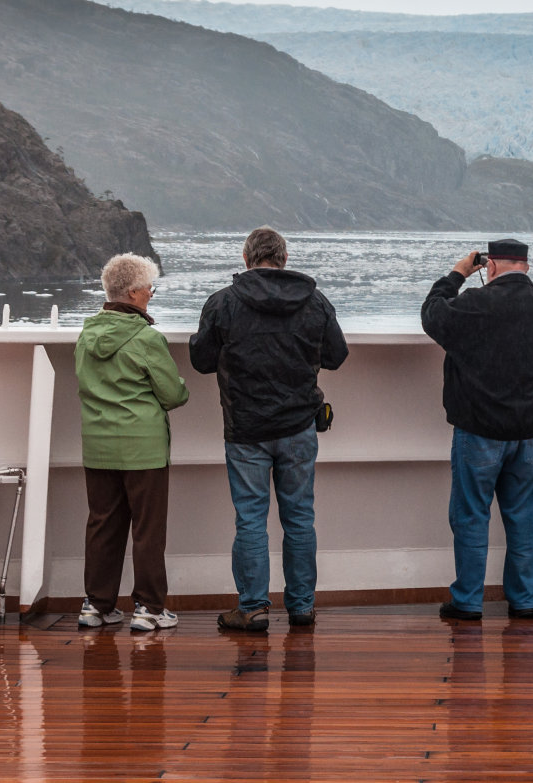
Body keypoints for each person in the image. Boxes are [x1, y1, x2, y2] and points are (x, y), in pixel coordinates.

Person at [189, 227, 348, 632]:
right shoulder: (314, 301)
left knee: (250, 520)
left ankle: (253, 607)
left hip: (246, 429)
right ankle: (301, 606)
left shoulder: (223, 303)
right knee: (299, 519)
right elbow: (336, 355)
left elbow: (202, 360)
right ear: (284, 258)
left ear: (246, 259)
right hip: (298, 426)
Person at [422, 238, 533, 622]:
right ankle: (524, 602)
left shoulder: (474, 304)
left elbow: (433, 315)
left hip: (480, 428)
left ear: (491, 267)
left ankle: (468, 601)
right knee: (522, 516)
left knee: (471, 516)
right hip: (530, 431)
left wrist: (457, 273)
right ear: (527, 268)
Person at [75, 253, 190, 632]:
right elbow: (173, 395)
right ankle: (149, 608)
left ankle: (96, 605)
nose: (151, 295)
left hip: (98, 445)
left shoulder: (87, 335)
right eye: (149, 289)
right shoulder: (146, 338)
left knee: (103, 526)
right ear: (135, 293)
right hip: (144, 449)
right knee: (147, 529)